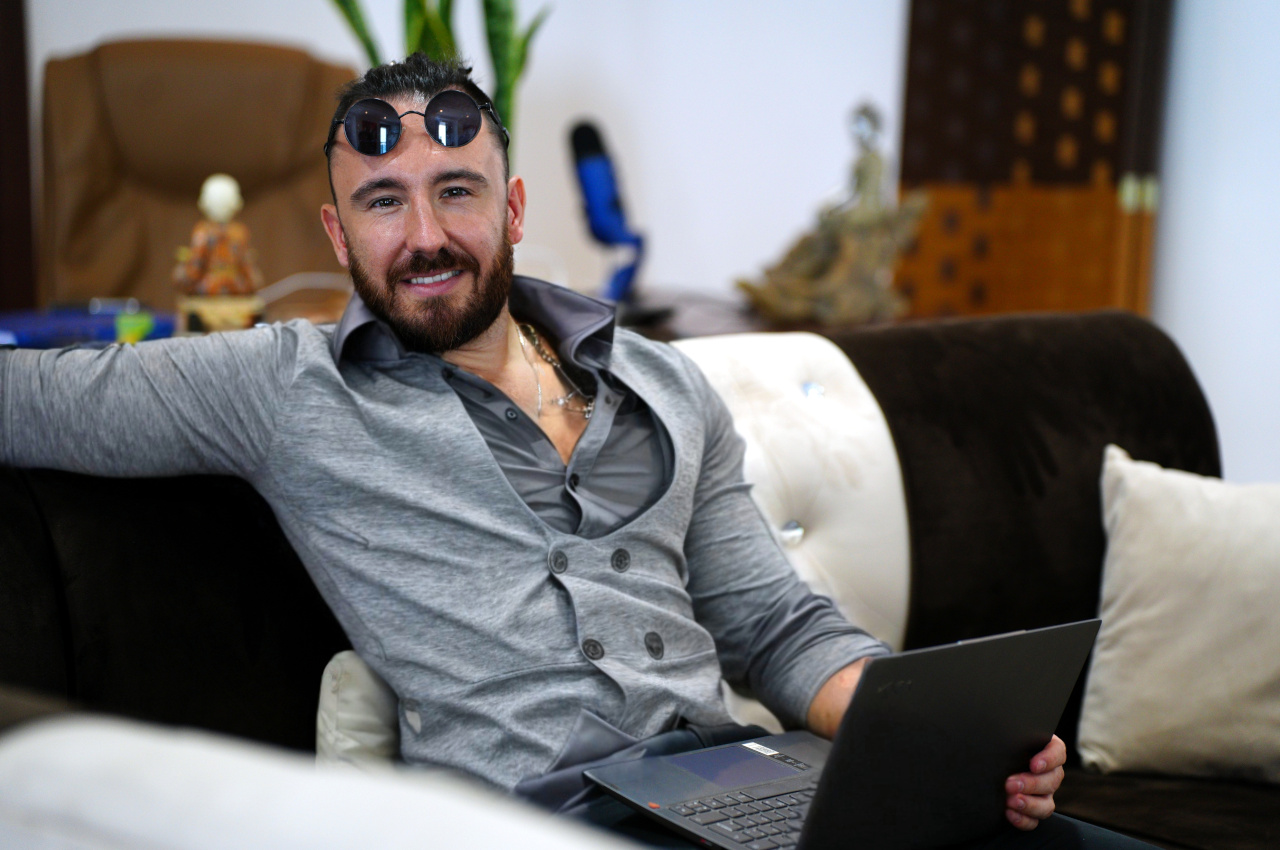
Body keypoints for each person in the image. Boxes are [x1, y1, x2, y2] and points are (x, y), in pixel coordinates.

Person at [1, 54, 1147, 849]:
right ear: (334, 234)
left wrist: (938, 745)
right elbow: (33, 398)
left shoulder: (664, 382)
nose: (424, 237)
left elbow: (776, 629)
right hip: (534, 816)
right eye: (382, 204)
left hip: (744, 784)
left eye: (457, 191)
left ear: (509, 209)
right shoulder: (281, 386)